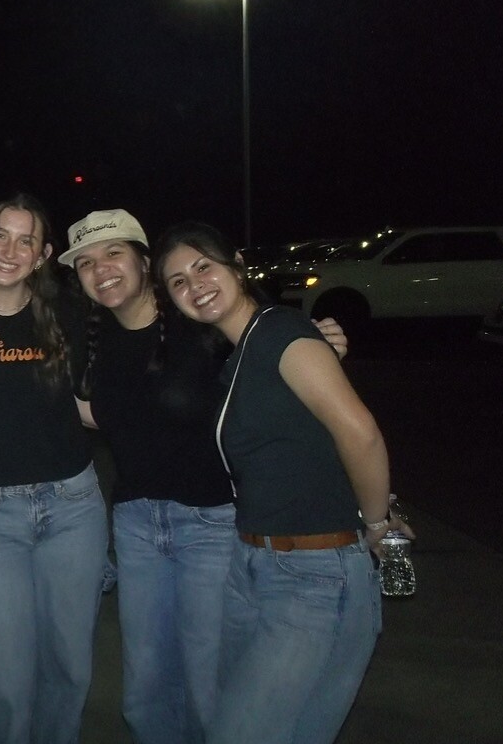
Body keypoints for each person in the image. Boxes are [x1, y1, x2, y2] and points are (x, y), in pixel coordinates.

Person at [64, 207, 350, 744]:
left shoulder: (201, 323)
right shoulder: (89, 341)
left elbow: (275, 353)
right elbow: (91, 411)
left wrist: (318, 340)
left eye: (113, 253)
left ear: (144, 262)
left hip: (212, 523)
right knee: (145, 688)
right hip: (135, 525)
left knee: (208, 682)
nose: (100, 269)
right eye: (85, 262)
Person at [154, 220, 406, 744]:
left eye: (203, 266)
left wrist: (377, 522)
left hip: (314, 573)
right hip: (252, 565)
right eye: (178, 281)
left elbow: (359, 433)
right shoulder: (241, 353)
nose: (195, 284)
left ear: (238, 265)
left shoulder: (279, 331)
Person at [0, 193, 107, 744]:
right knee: (0, 677)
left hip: (73, 507)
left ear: (43, 255)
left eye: (25, 241)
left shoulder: (70, 314)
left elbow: (150, 334)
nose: (10, 251)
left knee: (69, 667)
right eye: (0, 235)